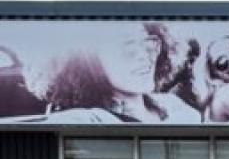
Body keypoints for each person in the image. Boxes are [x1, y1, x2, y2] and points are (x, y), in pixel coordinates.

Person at [27, 23, 201, 123]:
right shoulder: (83, 120)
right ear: (90, 64)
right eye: (127, 48)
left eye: (149, 43)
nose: (144, 56)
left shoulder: (173, 105)